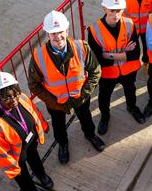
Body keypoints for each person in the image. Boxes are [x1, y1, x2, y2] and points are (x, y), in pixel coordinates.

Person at [28, 11, 104, 165]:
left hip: (80, 97)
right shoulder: (38, 56)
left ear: (67, 30)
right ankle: (62, 144)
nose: (58, 37)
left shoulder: (81, 47)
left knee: (86, 118)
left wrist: (84, 93)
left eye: (60, 31)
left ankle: (90, 135)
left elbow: (95, 71)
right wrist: (52, 102)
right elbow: (33, 84)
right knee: (58, 126)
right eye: (53, 33)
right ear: (47, 34)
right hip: (56, 103)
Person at [88, 0, 145, 135]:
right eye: (112, 11)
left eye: (119, 10)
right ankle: (105, 116)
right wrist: (123, 53)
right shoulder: (94, 30)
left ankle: (132, 108)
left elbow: (135, 54)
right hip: (107, 74)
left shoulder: (129, 24)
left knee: (130, 91)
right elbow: (99, 60)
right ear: (104, 9)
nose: (116, 15)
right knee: (104, 97)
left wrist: (109, 55)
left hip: (128, 70)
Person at [0, 72, 53, 191]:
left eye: (15, 94)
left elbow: (34, 112)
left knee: (35, 158)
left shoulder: (22, 97)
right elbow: (1, 152)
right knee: (24, 178)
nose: (13, 100)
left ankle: (41, 175)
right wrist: (13, 169)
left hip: (31, 142)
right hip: (17, 156)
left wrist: (43, 125)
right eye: (7, 97)